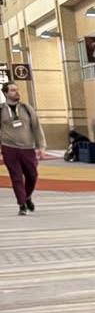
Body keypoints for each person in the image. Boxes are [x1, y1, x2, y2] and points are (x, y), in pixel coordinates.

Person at [1, 81, 47, 216]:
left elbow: (37, 127)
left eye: (17, 89)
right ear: (5, 93)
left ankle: (27, 197)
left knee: (32, 175)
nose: (16, 92)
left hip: (27, 148)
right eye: (12, 90)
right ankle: (22, 204)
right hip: (9, 148)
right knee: (16, 177)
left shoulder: (27, 108)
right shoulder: (1, 110)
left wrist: (41, 146)